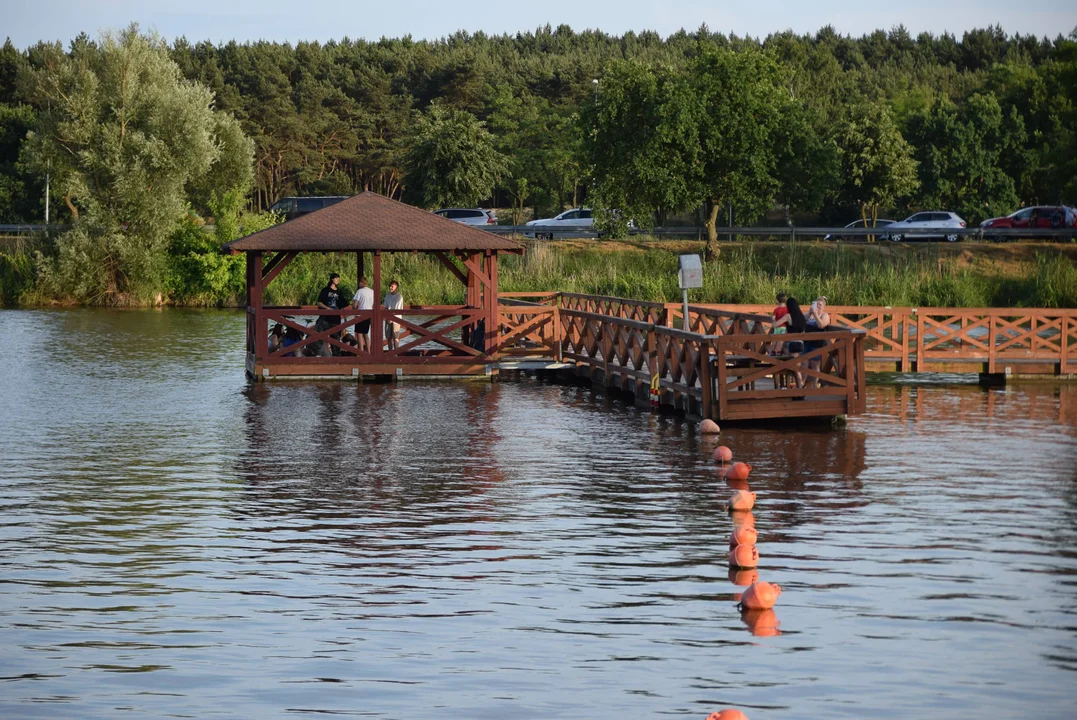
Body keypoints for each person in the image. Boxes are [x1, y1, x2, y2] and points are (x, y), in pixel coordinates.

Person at [804, 296, 832, 388]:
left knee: (815, 365)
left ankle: (815, 386)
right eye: (817, 304)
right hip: (806, 343)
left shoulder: (825, 315)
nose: (818, 306)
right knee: (804, 364)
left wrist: (815, 315)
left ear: (823, 307)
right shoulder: (810, 314)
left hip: (816, 344)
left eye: (820, 305)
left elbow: (821, 325)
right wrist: (809, 312)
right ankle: (801, 386)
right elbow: (801, 320)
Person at [352, 276, 375, 353]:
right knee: (365, 334)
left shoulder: (360, 291)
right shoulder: (372, 292)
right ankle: (369, 351)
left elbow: (355, 304)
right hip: (369, 315)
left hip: (360, 315)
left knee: (359, 333)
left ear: (361, 283)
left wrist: (354, 308)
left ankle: (361, 352)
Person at [383, 280, 403, 351]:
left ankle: (396, 354)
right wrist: (387, 317)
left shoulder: (399, 297)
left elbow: (398, 309)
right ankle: (390, 353)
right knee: (388, 337)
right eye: (390, 286)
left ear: (396, 287)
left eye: (392, 286)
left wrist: (392, 318)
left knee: (396, 337)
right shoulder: (387, 296)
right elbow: (385, 307)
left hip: (396, 319)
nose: (390, 288)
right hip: (388, 318)